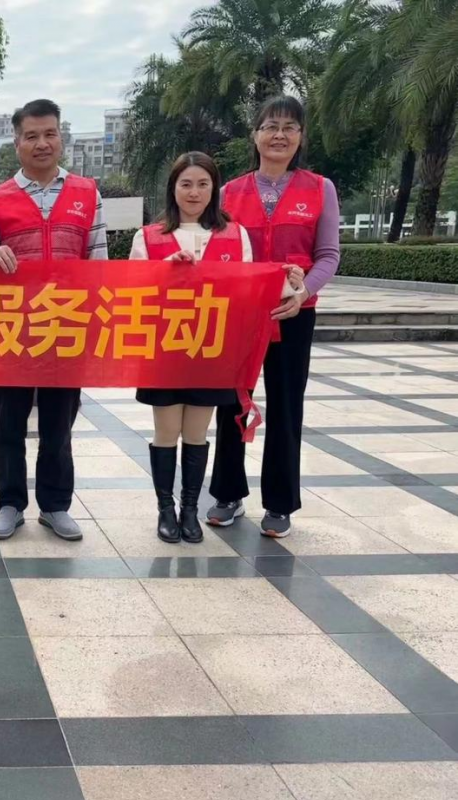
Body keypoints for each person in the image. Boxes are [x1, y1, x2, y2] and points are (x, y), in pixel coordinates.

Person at [0, 99, 107, 542]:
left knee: (58, 425)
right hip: (11, 329)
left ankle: (55, 505)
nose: (42, 143)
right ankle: (10, 504)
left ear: (60, 137)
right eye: (31, 136)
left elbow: (99, 262)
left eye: (50, 134)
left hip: (65, 328)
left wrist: (95, 322)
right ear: (17, 142)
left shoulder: (87, 193)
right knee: (8, 424)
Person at [207, 96, 341, 538]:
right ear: (256, 135)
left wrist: (303, 292)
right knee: (231, 402)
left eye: (289, 127)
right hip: (240, 316)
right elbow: (219, 252)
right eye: (270, 126)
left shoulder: (319, 188)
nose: (279, 135)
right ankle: (227, 494)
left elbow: (328, 255)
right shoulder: (230, 193)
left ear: (300, 136)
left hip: (294, 314)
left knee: (286, 405)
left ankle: (280, 503)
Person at [130, 152, 264, 543]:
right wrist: (164, 271)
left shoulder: (235, 235)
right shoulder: (149, 237)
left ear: (214, 189)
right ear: (173, 189)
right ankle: (165, 510)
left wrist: (284, 281)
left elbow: (249, 290)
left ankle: (190, 509)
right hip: (165, 350)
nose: (194, 192)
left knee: (196, 432)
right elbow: (132, 291)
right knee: (166, 431)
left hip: (211, 350)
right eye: (186, 184)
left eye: (203, 184)